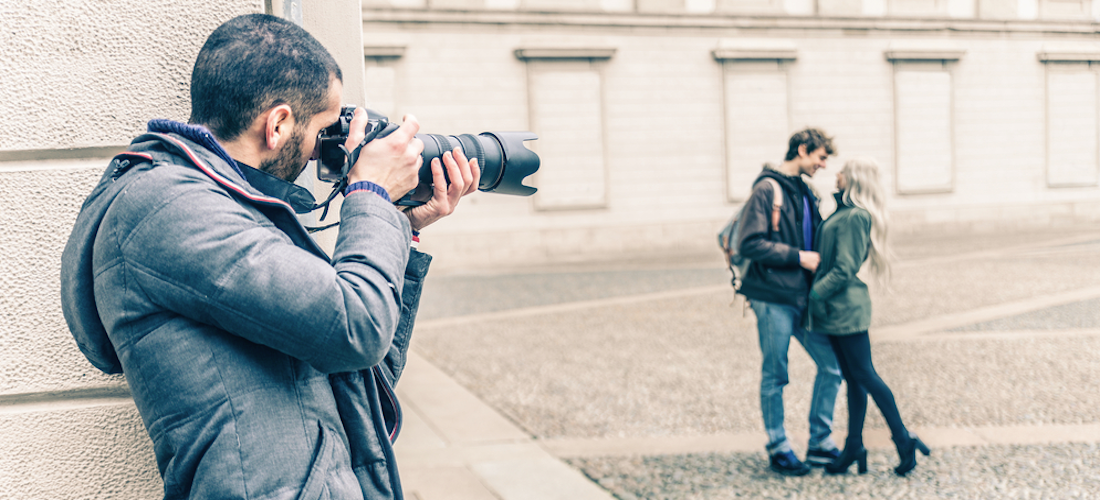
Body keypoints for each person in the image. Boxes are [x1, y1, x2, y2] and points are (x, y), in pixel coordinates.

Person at [59, 14, 479, 499]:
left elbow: (358, 377)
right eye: (322, 132)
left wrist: (399, 229)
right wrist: (370, 192)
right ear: (278, 123)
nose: (325, 151)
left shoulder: (230, 208)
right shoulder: (170, 209)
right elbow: (354, 328)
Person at [807, 157, 930, 476]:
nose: (838, 174)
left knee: (865, 375)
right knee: (855, 378)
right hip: (838, 309)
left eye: (844, 172)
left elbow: (844, 268)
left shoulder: (855, 217)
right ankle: (854, 446)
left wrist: (816, 294)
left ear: (857, 179)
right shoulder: (845, 213)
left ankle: (903, 439)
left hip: (845, 308)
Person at [736, 128, 844, 475]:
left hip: (803, 297)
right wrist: (799, 257)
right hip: (773, 298)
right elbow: (749, 243)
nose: (823, 165)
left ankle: (820, 442)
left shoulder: (806, 191)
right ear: (802, 149)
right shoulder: (767, 189)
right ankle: (778, 446)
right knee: (776, 373)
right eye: (820, 157)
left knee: (832, 366)